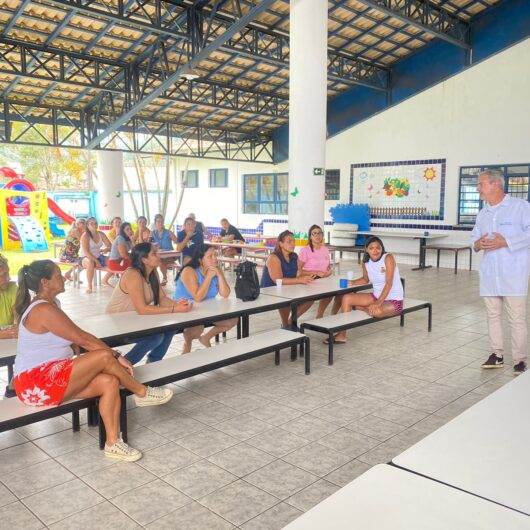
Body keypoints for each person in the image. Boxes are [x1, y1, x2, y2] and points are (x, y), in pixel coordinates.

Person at [13, 260, 173, 462]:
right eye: (58, 275)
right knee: (105, 356)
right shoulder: (42, 309)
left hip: (49, 378)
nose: (63, 278)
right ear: (45, 282)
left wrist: (73, 347)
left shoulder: (51, 305)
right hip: (34, 382)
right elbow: (83, 338)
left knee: (110, 382)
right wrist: (117, 356)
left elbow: (68, 339)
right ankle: (141, 392)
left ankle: (113, 444)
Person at [471, 169, 530, 375]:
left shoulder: (521, 208)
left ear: (495, 184)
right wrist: (478, 243)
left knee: (516, 318)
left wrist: (505, 241)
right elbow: (474, 241)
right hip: (489, 274)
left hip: (514, 274)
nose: (478, 188)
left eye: (481, 184)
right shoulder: (483, 213)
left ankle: (520, 360)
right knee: (492, 316)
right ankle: (497, 355)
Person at [107, 243, 192, 364]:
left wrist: (178, 304)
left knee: (171, 328)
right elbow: (142, 309)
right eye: (154, 254)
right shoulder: (133, 274)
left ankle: (153, 362)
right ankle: (120, 366)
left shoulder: (153, 272)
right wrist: (174, 309)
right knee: (155, 337)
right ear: (144, 259)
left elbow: (162, 299)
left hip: (136, 319)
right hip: (118, 323)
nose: (158, 256)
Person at [332, 236, 402, 344]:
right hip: (376, 296)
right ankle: (342, 335)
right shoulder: (366, 262)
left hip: (393, 300)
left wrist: (378, 303)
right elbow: (365, 279)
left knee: (376, 311)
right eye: (371, 248)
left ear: (382, 248)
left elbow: (389, 283)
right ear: (366, 250)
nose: (375, 251)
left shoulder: (388, 258)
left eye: (378, 248)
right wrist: (353, 282)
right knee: (347, 298)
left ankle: (364, 308)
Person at [173, 244, 237, 353]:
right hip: (185, 308)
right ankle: (187, 345)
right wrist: (208, 277)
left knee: (232, 320)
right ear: (200, 259)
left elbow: (225, 294)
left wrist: (220, 275)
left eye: (215, 255)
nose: (214, 258)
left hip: (206, 308)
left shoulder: (215, 269)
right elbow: (198, 297)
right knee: (196, 330)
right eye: (210, 256)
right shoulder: (189, 271)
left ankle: (206, 337)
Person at [260, 230, 315, 329]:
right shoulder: (274, 258)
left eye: (294, 241)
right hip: (268, 291)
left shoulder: (294, 256)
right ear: (281, 244)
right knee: (286, 300)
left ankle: (290, 322)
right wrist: (300, 280)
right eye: (289, 241)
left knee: (311, 297)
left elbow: (298, 273)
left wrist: (317, 273)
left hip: (287, 288)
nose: (293, 244)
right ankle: (285, 325)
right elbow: (278, 280)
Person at [298, 224, 342, 318]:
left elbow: (327, 267)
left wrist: (328, 272)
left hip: (323, 279)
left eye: (319, 233)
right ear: (310, 236)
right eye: (314, 233)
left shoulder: (325, 250)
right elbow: (298, 271)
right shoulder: (305, 250)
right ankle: (292, 320)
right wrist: (316, 272)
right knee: (310, 300)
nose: (317, 236)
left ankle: (321, 315)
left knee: (335, 292)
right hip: (309, 279)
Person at [79, 217, 111, 293]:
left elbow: (110, 245)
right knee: (91, 262)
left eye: (95, 223)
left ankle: (105, 279)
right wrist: (96, 261)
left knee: (113, 261)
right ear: (87, 225)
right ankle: (89, 285)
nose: (94, 225)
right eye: (92, 223)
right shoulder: (85, 236)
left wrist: (107, 248)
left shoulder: (101, 234)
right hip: (84, 258)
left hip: (99, 256)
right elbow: (86, 252)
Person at [149, 214, 178, 286]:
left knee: (160, 262)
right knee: (150, 262)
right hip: (159, 255)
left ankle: (164, 278)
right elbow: (149, 243)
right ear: (155, 223)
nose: (160, 223)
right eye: (158, 221)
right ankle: (151, 280)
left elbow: (177, 242)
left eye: (161, 221)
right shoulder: (152, 233)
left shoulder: (169, 232)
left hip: (170, 255)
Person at [0, 254, 17, 339]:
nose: (9, 278)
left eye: (8, 273)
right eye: (3, 275)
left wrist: (19, 324)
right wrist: (8, 333)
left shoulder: (12, 288)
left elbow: (19, 314)